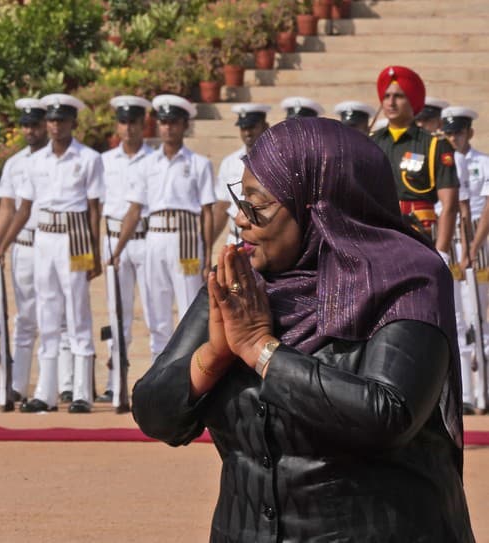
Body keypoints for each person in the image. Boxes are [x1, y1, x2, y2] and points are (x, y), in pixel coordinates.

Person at [133, 117, 474, 541]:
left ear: (321, 207)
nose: (240, 219)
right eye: (241, 200)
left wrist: (262, 351)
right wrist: (215, 356)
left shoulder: (407, 280)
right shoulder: (242, 285)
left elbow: (388, 416)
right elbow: (152, 414)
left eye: (257, 204)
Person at [1, 93, 103, 413]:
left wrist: (96, 252)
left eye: (62, 120)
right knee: (47, 312)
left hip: (75, 236)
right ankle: (45, 391)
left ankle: (82, 391)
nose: (56, 125)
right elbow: (24, 208)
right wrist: (3, 244)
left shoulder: (88, 158)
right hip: (44, 235)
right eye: (52, 120)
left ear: (73, 122)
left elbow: (94, 209)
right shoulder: (35, 162)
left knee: (77, 311)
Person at [116, 94, 215, 361]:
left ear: (184, 125)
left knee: (188, 312)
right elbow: (134, 210)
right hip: (154, 236)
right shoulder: (147, 164)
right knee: (156, 312)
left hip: (185, 238)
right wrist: (118, 249)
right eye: (163, 122)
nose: (168, 128)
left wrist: (206, 255)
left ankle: (188, 374)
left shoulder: (198, 164)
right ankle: (158, 376)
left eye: (174, 122)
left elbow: (207, 212)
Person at [97, 95, 153, 403]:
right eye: (123, 122)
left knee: (153, 311)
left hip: (146, 237)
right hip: (113, 237)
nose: (128, 128)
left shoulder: (153, 158)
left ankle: (158, 378)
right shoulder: (104, 161)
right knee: (116, 314)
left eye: (133, 122)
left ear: (143, 125)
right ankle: (113, 379)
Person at [372, 65, 459, 261]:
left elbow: (450, 204)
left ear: (413, 100)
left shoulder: (435, 145)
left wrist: (442, 252)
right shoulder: (371, 142)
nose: (391, 103)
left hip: (420, 234)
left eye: (399, 96)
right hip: (380, 233)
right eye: (386, 97)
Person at [0, 97, 48, 402]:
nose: (30, 130)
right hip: (24, 245)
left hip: (55, 240)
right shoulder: (15, 164)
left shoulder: (57, 159)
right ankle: (17, 384)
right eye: (25, 125)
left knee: (58, 318)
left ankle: (61, 384)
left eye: (35, 124)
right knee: (25, 317)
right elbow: (6, 209)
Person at [450, 106, 489, 413]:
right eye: (449, 132)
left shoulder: (482, 163)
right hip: (454, 240)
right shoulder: (447, 162)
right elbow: (455, 210)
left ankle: (483, 394)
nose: (453, 137)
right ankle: (464, 393)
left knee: (481, 317)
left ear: (469, 133)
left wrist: (473, 247)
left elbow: (482, 210)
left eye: (458, 132)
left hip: (480, 241)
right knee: (460, 320)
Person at [213, 103, 270, 248]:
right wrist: (208, 246)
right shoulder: (230, 162)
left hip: (263, 240)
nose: (247, 133)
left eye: (252, 127)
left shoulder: (275, 160)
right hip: (235, 238)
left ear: (265, 126)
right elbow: (222, 206)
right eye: (243, 128)